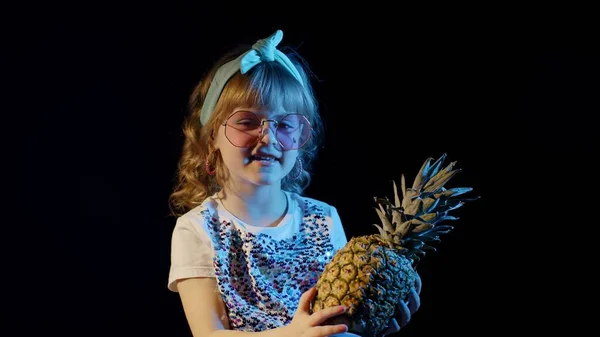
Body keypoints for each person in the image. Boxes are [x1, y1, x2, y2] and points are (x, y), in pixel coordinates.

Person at [166, 30, 421, 337]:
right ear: (211, 139)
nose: (270, 138)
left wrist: (373, 317)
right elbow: (209, 334)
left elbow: (339, 320)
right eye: (247, 121)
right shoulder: (197, 229)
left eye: (286, 124)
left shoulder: (324, 219)